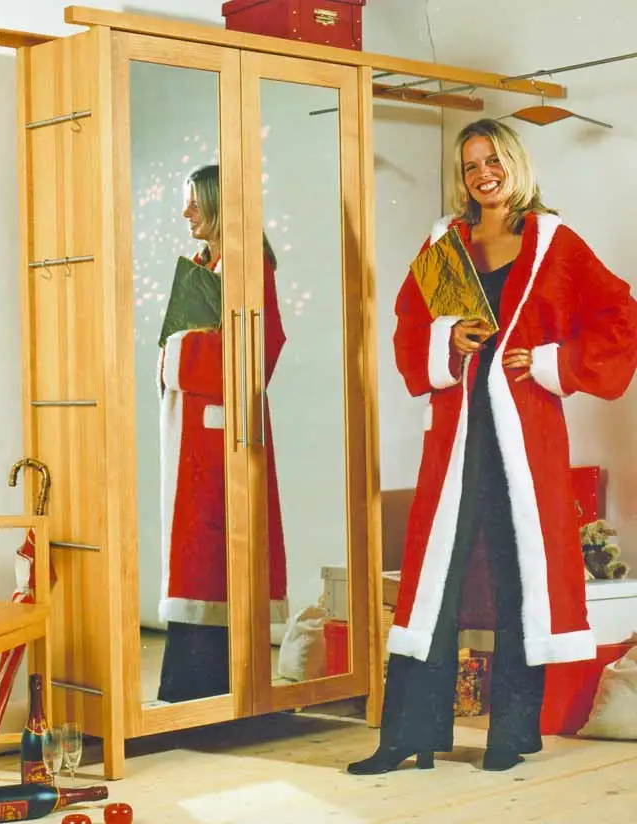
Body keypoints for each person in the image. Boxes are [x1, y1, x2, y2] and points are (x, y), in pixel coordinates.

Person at [348, 119, 637, 774]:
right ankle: (406, 736)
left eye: (493, 160)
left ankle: (511, 732)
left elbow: (620, 315)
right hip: (455, 435)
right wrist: (447, 339)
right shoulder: (444, 243)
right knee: (432, 583)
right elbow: (409, 324)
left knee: (519, 579)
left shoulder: (554, 242)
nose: (483, 174)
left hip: (526, 437)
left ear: (515, 163)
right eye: (471, 164)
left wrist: (554, 361)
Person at [156, 163, 289, 703]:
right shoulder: (202, 266)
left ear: (219, 203)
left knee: (215, 557)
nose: (186, 212)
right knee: (196, 555)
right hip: (195, 435)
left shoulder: (250, 264)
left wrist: (179, 350)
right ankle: (190, 693)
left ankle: (215, 694)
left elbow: (260, 350)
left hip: (227, 435)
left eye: (195, 201)